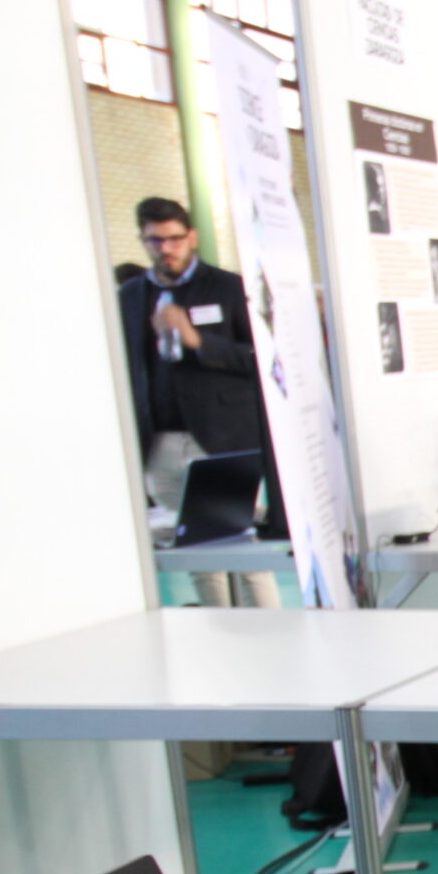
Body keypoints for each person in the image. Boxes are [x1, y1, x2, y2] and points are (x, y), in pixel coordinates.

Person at [117, 198, 281, 607]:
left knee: (243, 551)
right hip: (161, 442)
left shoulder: (228, 288)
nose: (166, 249)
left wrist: (197, 341)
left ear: (192, 237)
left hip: (221, 439)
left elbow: (262, 357)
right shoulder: (131, 296)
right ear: (143, 241)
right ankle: (218, 632)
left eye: (174, 239)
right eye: (155, 241)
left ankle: (273, 633)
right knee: (197, 554)